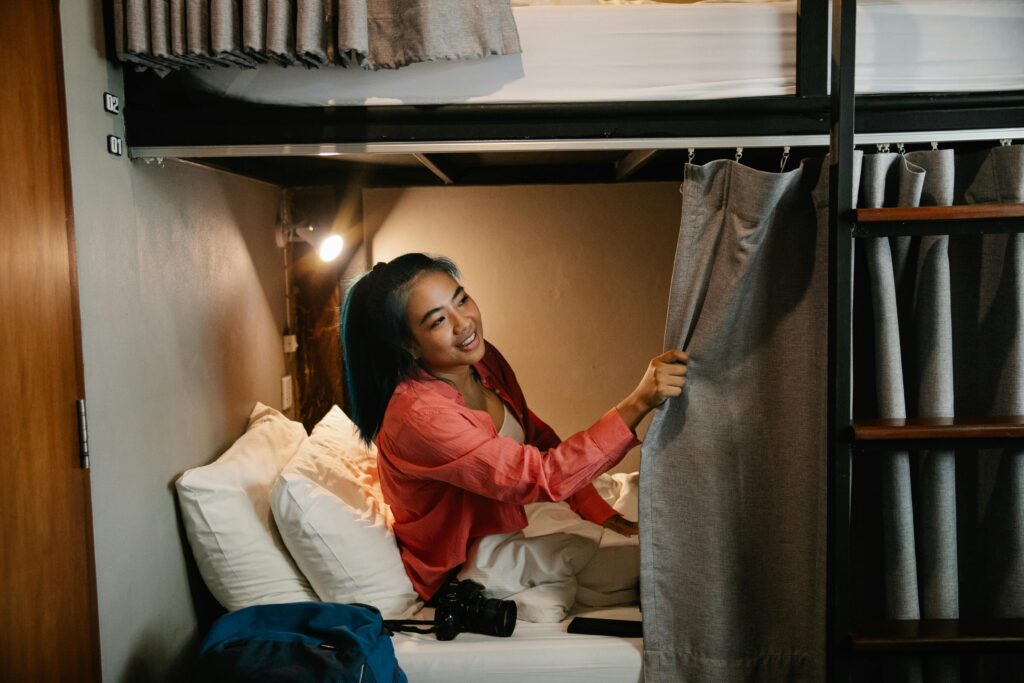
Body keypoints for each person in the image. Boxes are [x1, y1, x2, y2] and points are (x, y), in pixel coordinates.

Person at [341, 253, 688, 602]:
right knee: (670, 567)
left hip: (517, 518)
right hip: (469, 562)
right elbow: (539, 474)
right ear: (407, 344)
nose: (464, 324)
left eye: (461, 300)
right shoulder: (419, 417)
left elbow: (539, 441)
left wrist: (599, 513)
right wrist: (639, 402)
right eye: (437, 321)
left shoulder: (482, 359)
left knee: (671, 534)